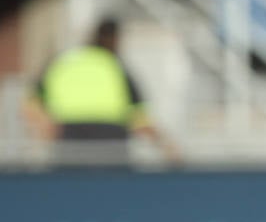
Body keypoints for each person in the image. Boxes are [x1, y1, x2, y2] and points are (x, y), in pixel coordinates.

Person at [24, 18, 180, 166]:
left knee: (70, 188)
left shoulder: (62, 62)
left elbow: (32, 105)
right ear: (114, 40)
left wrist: (48, 134)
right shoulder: (115, 66)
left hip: (69, 138)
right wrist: (166, 147)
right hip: (109, 138)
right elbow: (140, 120)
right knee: (111, 189)